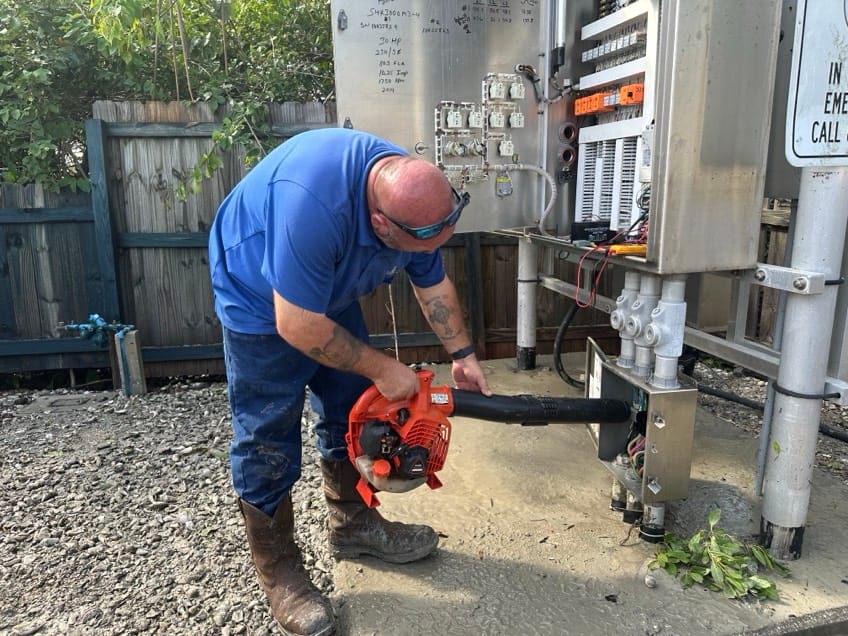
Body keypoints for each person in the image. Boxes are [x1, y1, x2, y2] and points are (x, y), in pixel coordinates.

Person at [208, 126, 492, 636]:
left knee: (350, 408)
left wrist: (463, 355)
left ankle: (353, 524)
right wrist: (384, 368)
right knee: (266, 433)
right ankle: (281, 573)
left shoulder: (418, 202)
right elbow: (295, 323)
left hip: (326, 290)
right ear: (381, 224)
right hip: (259, 298)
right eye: (417, 241)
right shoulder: (310, 207)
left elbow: (433, 284)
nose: (431, 247)